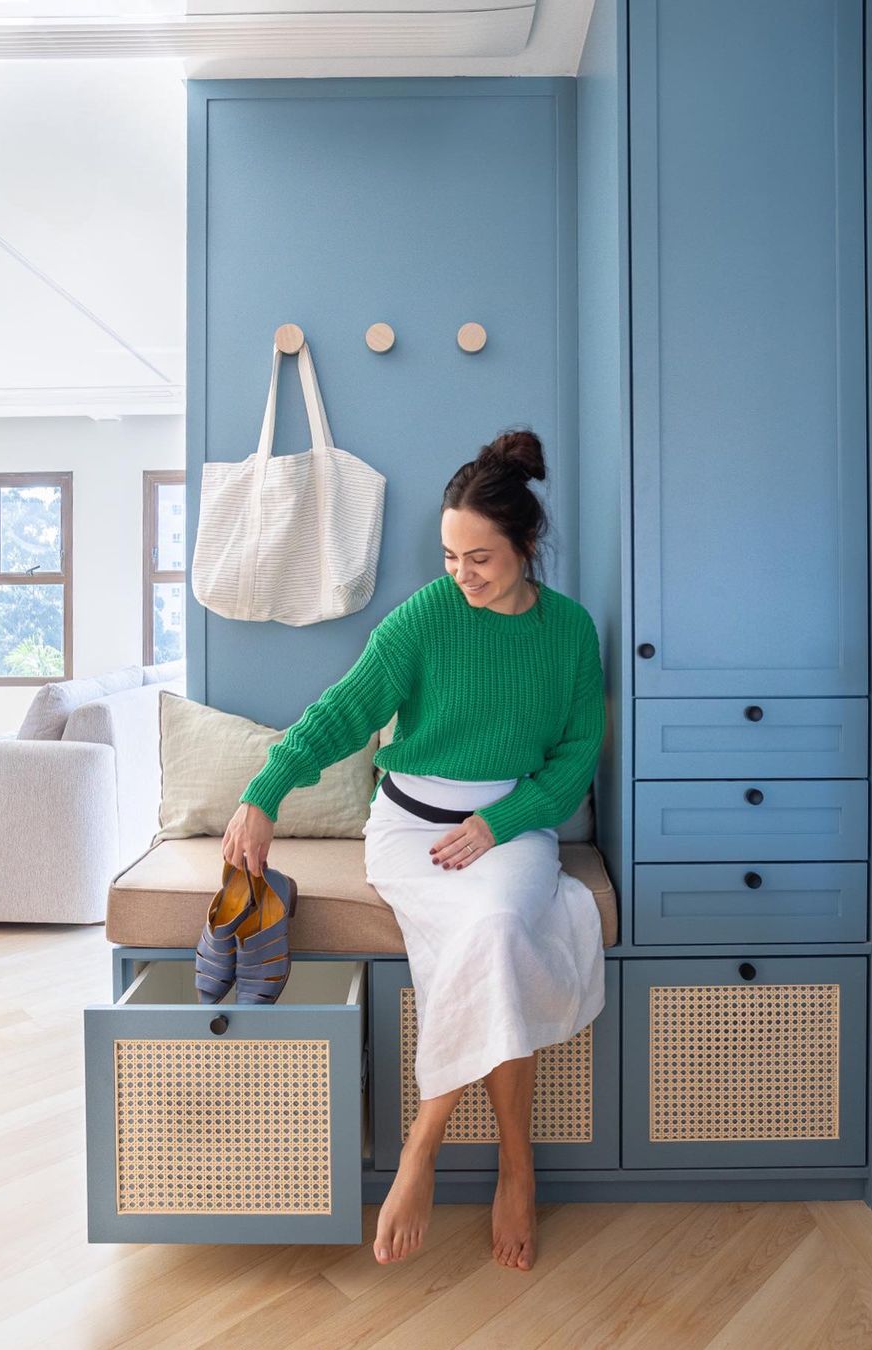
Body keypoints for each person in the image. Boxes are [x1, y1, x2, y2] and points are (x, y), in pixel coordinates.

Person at [221, 428, 608, 1273]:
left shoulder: (572, 633)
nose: (460, 575)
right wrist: (262, 793)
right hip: (409, 830)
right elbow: (345, 708)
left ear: (526, 548)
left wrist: (499, 826)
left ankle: (432, 1150)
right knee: (491, 937)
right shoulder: (426, 617)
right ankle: (509, 1161)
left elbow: (577, 757)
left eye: (481, 559)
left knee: (497, 928)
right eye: (448, 555)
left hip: (508, 827)